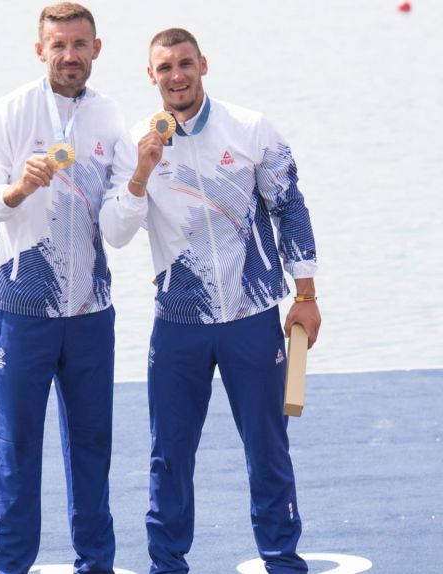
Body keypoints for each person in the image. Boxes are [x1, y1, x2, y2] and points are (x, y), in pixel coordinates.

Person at [100, 28, 320, 574]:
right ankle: (167, 564)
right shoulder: (134, 144)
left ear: (203, 65)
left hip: (252, 315)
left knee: (267, 448)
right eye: (165, 68)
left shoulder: (249, 128)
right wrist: (141, 173)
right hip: (180, 322)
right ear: (150, 76)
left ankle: (282, 561)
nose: (176, 76)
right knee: (169, 454)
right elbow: (116, 234)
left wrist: (306, 294)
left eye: (185, 64)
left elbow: (290, 206)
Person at [0, 3, 129, 572]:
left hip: (90, 311)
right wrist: (16, 190)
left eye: (79, 44)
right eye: (58, 45)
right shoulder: (6, 113)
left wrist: (141, 182)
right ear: (40, 51)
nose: (69, 55)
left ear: (96, 49)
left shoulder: (111, 116)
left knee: (93, 447)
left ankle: (96, 564)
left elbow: (120, 219)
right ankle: (10, 566)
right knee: (17, 449)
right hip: (23, 308)